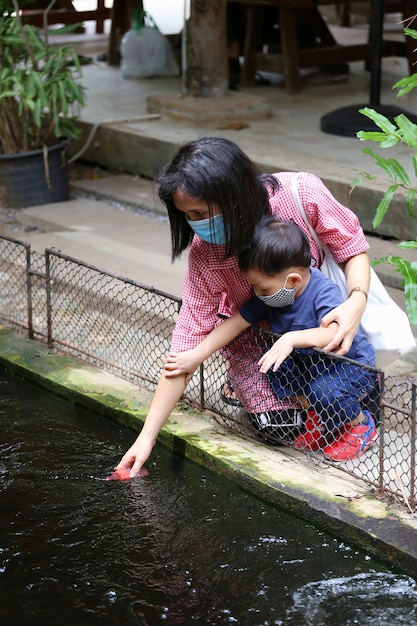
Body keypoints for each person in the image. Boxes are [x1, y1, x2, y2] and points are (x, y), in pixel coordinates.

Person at [116, 136, 371, 477]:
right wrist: (146, 439)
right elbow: (188, 346)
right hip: (263, 345)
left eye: (200, 213)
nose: (195, 224)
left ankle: (356, 409)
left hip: (317, 325)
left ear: (233, 195)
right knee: (277, 427)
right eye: (186, 216)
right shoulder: (206, 257)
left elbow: (351, 246)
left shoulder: (300, 195)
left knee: (331, 390)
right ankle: (269, 390)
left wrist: (356, 301)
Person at [164, 217, 377, 462]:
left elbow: (334, 333)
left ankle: (359, 426)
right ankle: (319, 416)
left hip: (348, 365)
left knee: (324, 390)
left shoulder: (321, 291)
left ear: (293, 280)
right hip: (311, 365)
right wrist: (196, 354)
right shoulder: (273, 295)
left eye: (262, 289)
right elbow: (235, 322)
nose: (257, 294)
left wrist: (291, 339)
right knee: (273, 364)